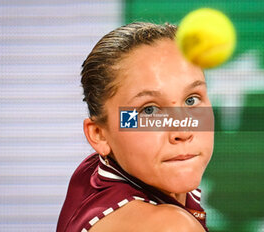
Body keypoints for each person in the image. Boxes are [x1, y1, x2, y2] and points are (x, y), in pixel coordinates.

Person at [57, 22, 214, 232]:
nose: (183, 131)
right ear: (99, 135)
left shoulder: (93, 172)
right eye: (149, 110)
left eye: (192, 100)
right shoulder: (171, 227)